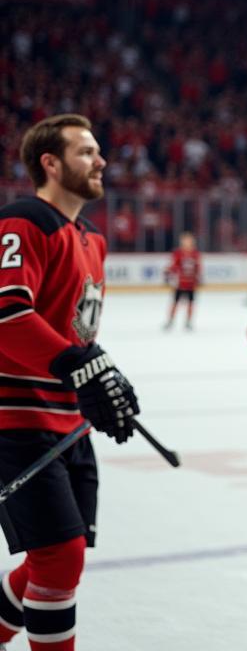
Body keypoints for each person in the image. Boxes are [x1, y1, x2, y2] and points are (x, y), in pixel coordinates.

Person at [0, 115, 140, 651]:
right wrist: (77, 365)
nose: (101, 160)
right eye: (85, 152)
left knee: (55, 554)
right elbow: (9, 314)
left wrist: (98, 368)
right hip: (19, 419)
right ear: (50, 164)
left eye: (99, 151)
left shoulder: (92, 240)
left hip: (67, 425)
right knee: (60, 557)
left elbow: (74, 333)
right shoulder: (24, 222)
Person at [164, 231, 202, 331]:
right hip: (180, 283)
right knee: (175, 302)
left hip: (191, 283)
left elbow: (198, 267)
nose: (187, 243)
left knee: (191, 303)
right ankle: (170, 321)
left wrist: (198, 277)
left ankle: (188, 322)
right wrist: (169, 272)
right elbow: (174, 266)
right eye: (185, 241)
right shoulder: (178, 253)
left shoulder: (195, 254)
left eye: (189, 241)